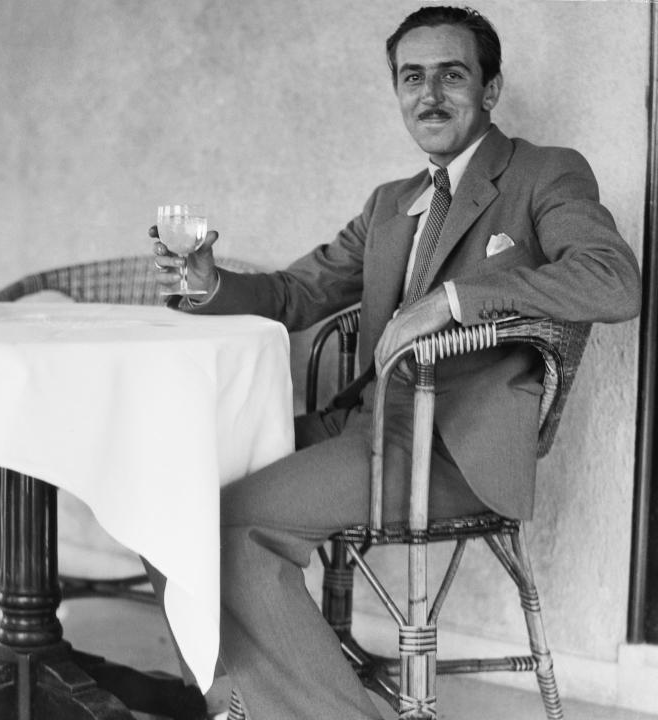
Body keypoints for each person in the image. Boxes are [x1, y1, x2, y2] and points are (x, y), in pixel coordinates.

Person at [147, 5, 642, 720]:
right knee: (163, 503)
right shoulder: (392, 204)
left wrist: (453, 299)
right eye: (413, 77)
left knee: (231, 527)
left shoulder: (543, 174)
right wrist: (206, 281)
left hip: (449, 452)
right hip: (366, 428)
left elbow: (612, 279)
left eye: (452, 74)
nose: (429, 94)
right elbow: (297, 291)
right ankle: (247, 704)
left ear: (491, 89)